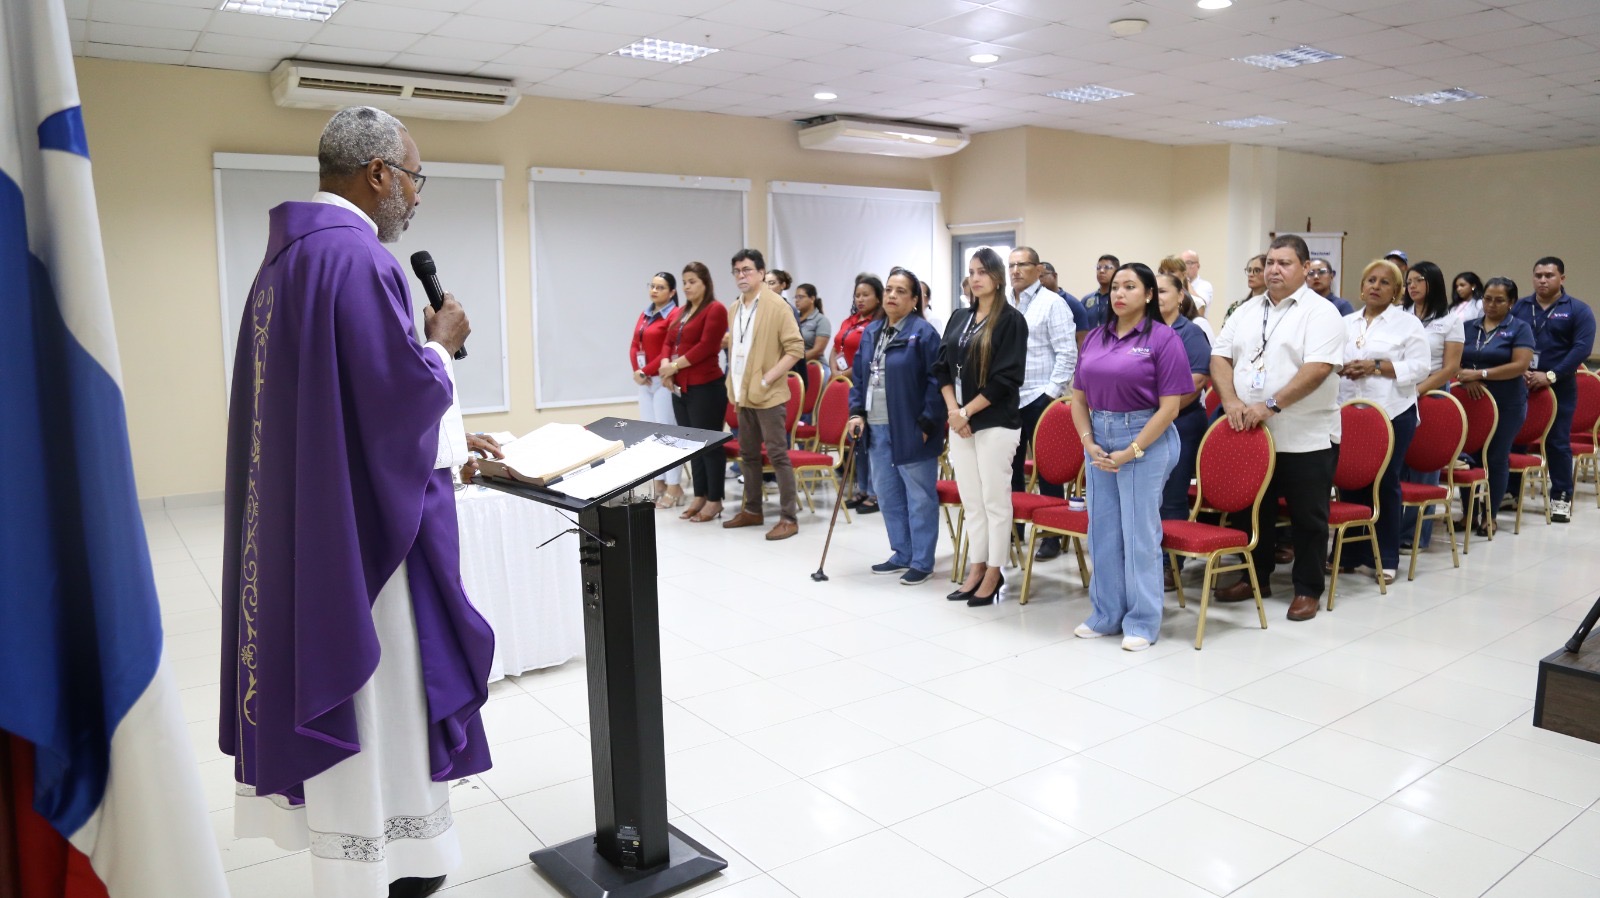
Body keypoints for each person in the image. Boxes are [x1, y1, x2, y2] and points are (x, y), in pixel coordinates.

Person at [219, 106, 493, 898]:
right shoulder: (360, 258)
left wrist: (449, 424)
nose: (417, 196)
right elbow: (394, 402)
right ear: (378, 174)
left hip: (315, 519)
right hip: (367, 546)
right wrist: (441, 345)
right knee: (385, 693)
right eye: (414, 177)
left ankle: (355, 847)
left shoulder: (285, 262)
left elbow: (339, 406)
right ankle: (387, 856)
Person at [1210, 235, 1344, 622]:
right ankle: (1255, 578)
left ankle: (1307, 589)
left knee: (1307, 517)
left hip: (1305, 434)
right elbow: (1220, 356)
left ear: (1305, 268)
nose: (1274, 270)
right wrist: (1231, 401)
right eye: (1270, 262)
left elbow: (1318, 368)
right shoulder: (1247, 310)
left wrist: (1270, 404)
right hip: (1251, 432)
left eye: (1284, 263)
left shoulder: (1321, 313)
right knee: (1253, 511)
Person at [1069, 264, 1188, 651]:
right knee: (1102, 530)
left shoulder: (1163, 338)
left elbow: (1170, 407)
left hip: (1144, 437)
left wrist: (1132, 450)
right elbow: (1078, 399)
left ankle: (1142, 620)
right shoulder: (1096, 337)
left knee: (1139, 533)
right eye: (1116, 287)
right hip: (1099, 438)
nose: (1119, 293)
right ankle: (1106, 614)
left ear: (1149, 294)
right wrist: (1088, 442)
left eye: (1130, 286)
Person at [935, 247, 1027, 607]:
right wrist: (954, 411)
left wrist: (967, 412)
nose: (975, 278)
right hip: (960, 422)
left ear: (998, 277)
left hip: (995, 422)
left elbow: (1007, 378)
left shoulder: (1011, 320)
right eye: (971, 272)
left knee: (995, 501)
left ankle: (994, 570)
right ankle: (976, 567)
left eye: (983, 272)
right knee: (972, 501)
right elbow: (941, 368)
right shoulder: (960, 317)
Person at [846, 267, 945, 585]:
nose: (891, 295)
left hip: (912, 428)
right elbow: (859, 378)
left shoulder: (923, 333)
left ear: (915, 300)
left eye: (901, 291)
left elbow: (937, 383)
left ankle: (922, 561)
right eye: (889, 289)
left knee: (920, 497)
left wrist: (927, 423)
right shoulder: (872, 332)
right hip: (876, 427)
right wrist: (856, 413)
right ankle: (902, 552)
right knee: (887, 494)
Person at [1334, 260, 1429, 582]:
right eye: (1370, 280)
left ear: (1397, 291)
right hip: (1349, 412)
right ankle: (1349, 553)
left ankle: (1386, 557)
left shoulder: (1408, 324)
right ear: (1362, 287)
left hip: (1392, 411)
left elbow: (1420, 367)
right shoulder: (1345, 323)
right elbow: (1329, 360)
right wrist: (1342, 367)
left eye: (1384, 282)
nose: (1376, 286)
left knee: (1384, 483)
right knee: (1349, 481)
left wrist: (1375, 366)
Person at [722, 249, 806, 541]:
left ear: (760, 272)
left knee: (777, 454)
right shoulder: (734, 308)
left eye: (747, 270)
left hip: (768, 394)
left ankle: (788, 518)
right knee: (747, 455)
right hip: (742, 393)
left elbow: (796, 349)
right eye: (736, 271)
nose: (741, 275)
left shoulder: (777, 306)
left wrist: (768, 378)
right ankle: (753, 509)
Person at [1511, 256, 1596, 523]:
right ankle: (1511, 493)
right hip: (1522, 382)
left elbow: (1581, 349)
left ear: (1562, 278)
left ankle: (1561, 496)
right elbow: (1509, 338)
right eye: (1538, 275)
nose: (1543, 280)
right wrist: (1520, 369)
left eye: (1549, 275)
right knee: (1514, 437)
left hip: (1559, 385)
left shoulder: (1578, 310)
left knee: (1557, 441)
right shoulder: (1521, 307)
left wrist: (1550, 375)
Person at [1007, 247, 1078, 562]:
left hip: (1041, 397)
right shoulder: (1004, 303)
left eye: (1022, 265)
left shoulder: (1053, 303)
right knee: (1011, 466)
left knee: (1049, 469)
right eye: (1011, 265)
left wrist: (1051, 394)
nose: (1015, 270)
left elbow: (1067, 353)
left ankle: (1052, 534)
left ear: (1038, 270)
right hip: (1009, 397)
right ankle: (1016, 529)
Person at [1455, 277, 1535, 536]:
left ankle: (1490, 515)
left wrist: (1481, 374)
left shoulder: (1520, 328)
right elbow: (1452, 362)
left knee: (1495, 456)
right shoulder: (1467, 327)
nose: (1491, 304)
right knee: (1469, 457)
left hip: (1507, 402)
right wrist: (1466, 378)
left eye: (1499, 300)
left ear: (1511, 302)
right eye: (1487, 299)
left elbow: (1520, 365)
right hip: (1472, 401)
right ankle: (1468, 514)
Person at [1153, 269, 1212, 591]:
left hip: (1180, 423)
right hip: (1143, 424)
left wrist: (1159, 408)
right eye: (1153, 290)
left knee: (1172, 497)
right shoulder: (1140, 330)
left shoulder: (1190, 333)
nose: (1157, 296)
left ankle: (1169, 565)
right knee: (1148, 497)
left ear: (1180, 297)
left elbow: (1196, 381)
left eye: (1164, 291)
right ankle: (1146, 558)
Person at [1398, 261, 1464, 548]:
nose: (1411, 286)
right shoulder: (1400, 315)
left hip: (1433, 393)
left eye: (1418, 280)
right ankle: (1390, 531)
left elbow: (1450, 368)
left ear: (1433, 283)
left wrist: (1419, 390)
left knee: (1424, 465)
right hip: (1400, 391)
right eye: (1408, 281)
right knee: (1397, 464)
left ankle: (1414, 536)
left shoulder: (1449, 320)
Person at [659, 261, 730, 522]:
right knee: (692, 446)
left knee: (709, 445)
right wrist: (666, 366)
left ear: (705, 283)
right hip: (681, 387)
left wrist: (674, 366)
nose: (687, 287)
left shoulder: (715, 309)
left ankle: (714, 499)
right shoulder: (682, 312)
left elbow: (707, 346)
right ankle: (699, 495)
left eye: (692, 282)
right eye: (684, 282)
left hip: (706, 387)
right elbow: (668, 342)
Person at [630, 271, 683, 508]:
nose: (654, 290)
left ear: (672, 292)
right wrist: (638, 371)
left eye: (660, 287)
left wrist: (646, 371)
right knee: (650, 435)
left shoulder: (674, 314)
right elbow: (635, 344)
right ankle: (659, 482)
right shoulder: (646, 313)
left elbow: (666, 350)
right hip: (646, 382)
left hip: (663, 380)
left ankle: (674, 486)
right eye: (652, 286)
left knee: (668, 435)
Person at [832, 274, 884, 513]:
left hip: (865, 384)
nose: (860, 299)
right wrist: (835, 371)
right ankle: (862, 487)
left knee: (870, 439)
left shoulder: (878, 323)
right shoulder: (850, 320)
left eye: (866, 295)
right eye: (857, 295)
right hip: (844, 383)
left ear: (878, 297)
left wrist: (847, 373)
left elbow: (868, 358)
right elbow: (836, 348)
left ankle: (874, 492)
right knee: (857, 439)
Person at [1040, 261, 1092, 347]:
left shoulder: (1073, 304)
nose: (1039, 281)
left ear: (1054, 276)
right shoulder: (1034, 303)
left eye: (1041, 276)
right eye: (1035, 278)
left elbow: (1082, 340)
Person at [1223, 254, 1267, 322]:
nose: (1250, 274)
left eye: (1257, 270)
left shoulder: (1272, 307)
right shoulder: (1236, 306)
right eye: (1249, 270)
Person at [795, 283, 832, 363]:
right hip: (792, 364)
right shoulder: (792, 319)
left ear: (812, 299)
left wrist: (795, 361)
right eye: (796, 297)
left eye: (800, 297)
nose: (797, 300)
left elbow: (818, 351)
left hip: (814, 365)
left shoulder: (821, 320)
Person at [1081, 254, 1117, 329]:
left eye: (1107, 267)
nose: (1101, 271)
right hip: (1091, 336)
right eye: (1098, 268)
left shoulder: (1119, 297)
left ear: (1117, 271)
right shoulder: (1086, 299)